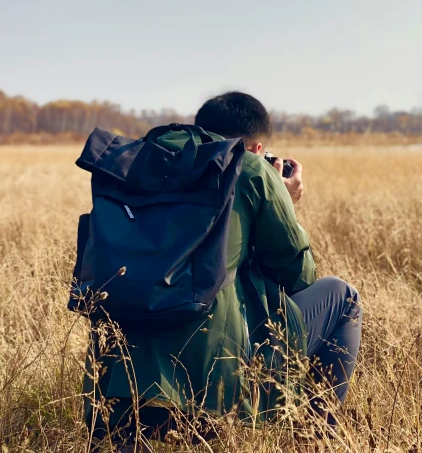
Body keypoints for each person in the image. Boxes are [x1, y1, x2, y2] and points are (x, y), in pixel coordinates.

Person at [86, 92, 362, 451]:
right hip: (213, 393)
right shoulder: (249, 167)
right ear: (258, 147)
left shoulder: (134, 166)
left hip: (114, 390)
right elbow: (299, 275)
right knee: (343, 297)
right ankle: (315, 441)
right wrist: (283, 201)